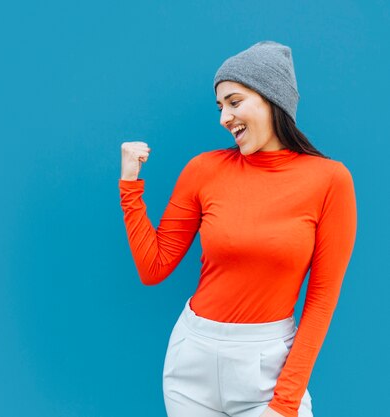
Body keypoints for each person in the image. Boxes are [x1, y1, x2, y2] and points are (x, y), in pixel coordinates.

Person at [118, 41, 357, 417]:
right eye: (220, 107)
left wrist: (286, 402)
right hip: (191, 362)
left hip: (267, 369)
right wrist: (130, 185)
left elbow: (321, 300)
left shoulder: (330, 181)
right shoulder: (204, 170)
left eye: (234, 101)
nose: (224, 118)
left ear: (271, 99)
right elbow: (154, 267)